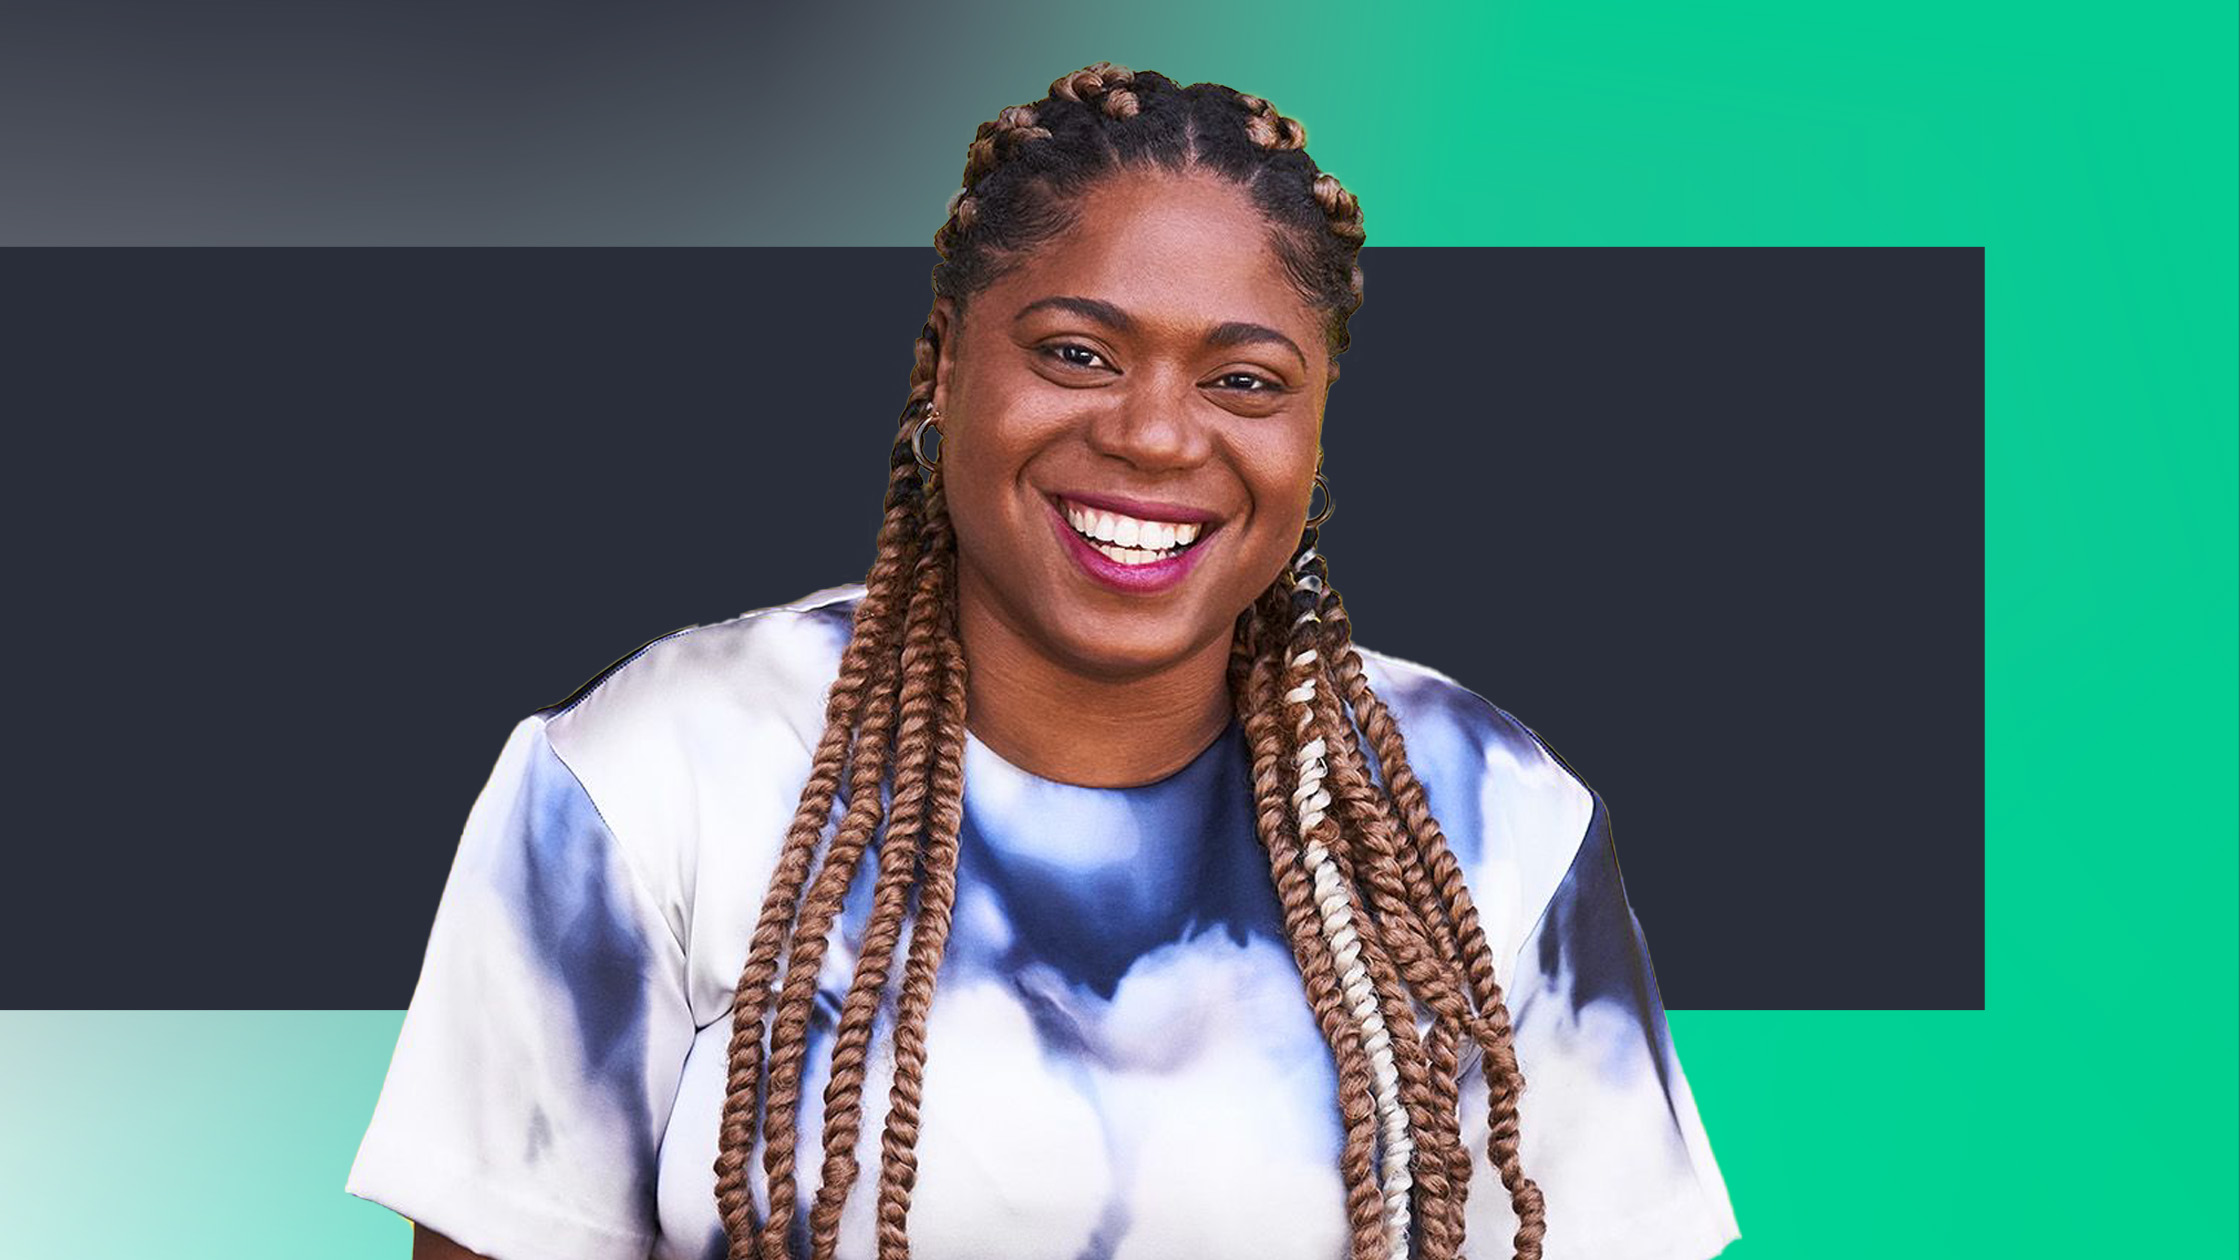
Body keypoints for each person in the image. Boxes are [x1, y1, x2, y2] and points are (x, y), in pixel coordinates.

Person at [345, 62, 1742, 1260]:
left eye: (1244, 380)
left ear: (1315, 434)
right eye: (1079, 352)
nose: (1155, 435)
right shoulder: (647, 777)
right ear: (945, 367)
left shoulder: (1495, 817)